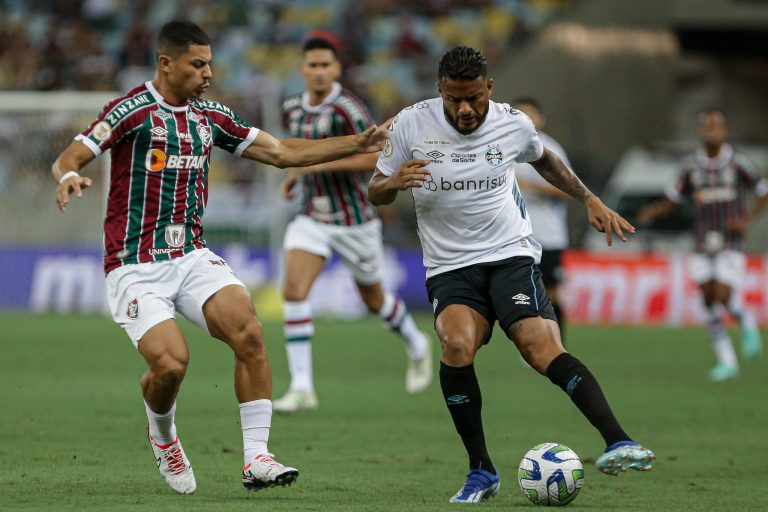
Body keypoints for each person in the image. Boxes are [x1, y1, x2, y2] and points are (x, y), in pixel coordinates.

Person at [51, 20, 389, 495]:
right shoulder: (131, 110)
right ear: (166, 64)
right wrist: (67, 176)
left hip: (190, 254)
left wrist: (356, 143)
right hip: (134, 264)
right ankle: (164, 435)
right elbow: (71, 155)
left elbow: (282, 153)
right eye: (198, 64)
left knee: (249, 330)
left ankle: (257, 458)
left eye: (210, 63)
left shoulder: (211, 115)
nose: (209, 73)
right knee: (171, 365)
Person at [368, 45, 655, 504]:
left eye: (474, 98)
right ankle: (481, 469)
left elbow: (544, 160)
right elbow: (375, 190)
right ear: (440, 90)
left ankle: (619, 440)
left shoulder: (513, 123)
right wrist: (393, 183)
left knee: (541, 349)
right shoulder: (410, 124)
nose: (465, 109)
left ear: (490, 89)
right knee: (456, 344)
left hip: (510, 254)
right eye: (454, 99)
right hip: (450, 265)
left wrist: (589, 199)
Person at [273, 36, 433, 413]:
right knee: (294, 292)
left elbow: (375, 156)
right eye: (312, 65)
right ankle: (301, 387)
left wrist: (317, 164)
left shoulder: (348, 108)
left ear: (337, 69)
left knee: (374, 300)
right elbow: (296, 151)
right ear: (302, 69)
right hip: (311, 217)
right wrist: (297, 173)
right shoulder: (292, 108)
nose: (318, 71)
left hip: (354, 220)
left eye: (325, 65)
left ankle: (416, 342)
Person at [637, 109, 767, 381]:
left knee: (721, 293)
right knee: (708, 299)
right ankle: (727, 362)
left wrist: (746, 220)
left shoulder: (739, 163)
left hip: (731, 240)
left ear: (725, 131)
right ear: (700, 131)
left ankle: (745, 319)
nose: (711, 131)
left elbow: (763, 192)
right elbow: (674, 198)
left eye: (716, 126)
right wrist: (653, 211)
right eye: (706, 126)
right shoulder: (691, 167)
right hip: (701, 240)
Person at [513, 98, 572, 341]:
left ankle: (557, 342)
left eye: (530, 114)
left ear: (541, 119)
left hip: (548, 234)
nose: (525, 119)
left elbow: (568, 188)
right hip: (514, 236)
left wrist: (531, 186)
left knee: (551, 292)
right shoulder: (502, 149)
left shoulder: (550, 149)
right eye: (519, 114)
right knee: (520, 293)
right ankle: (530, 343)